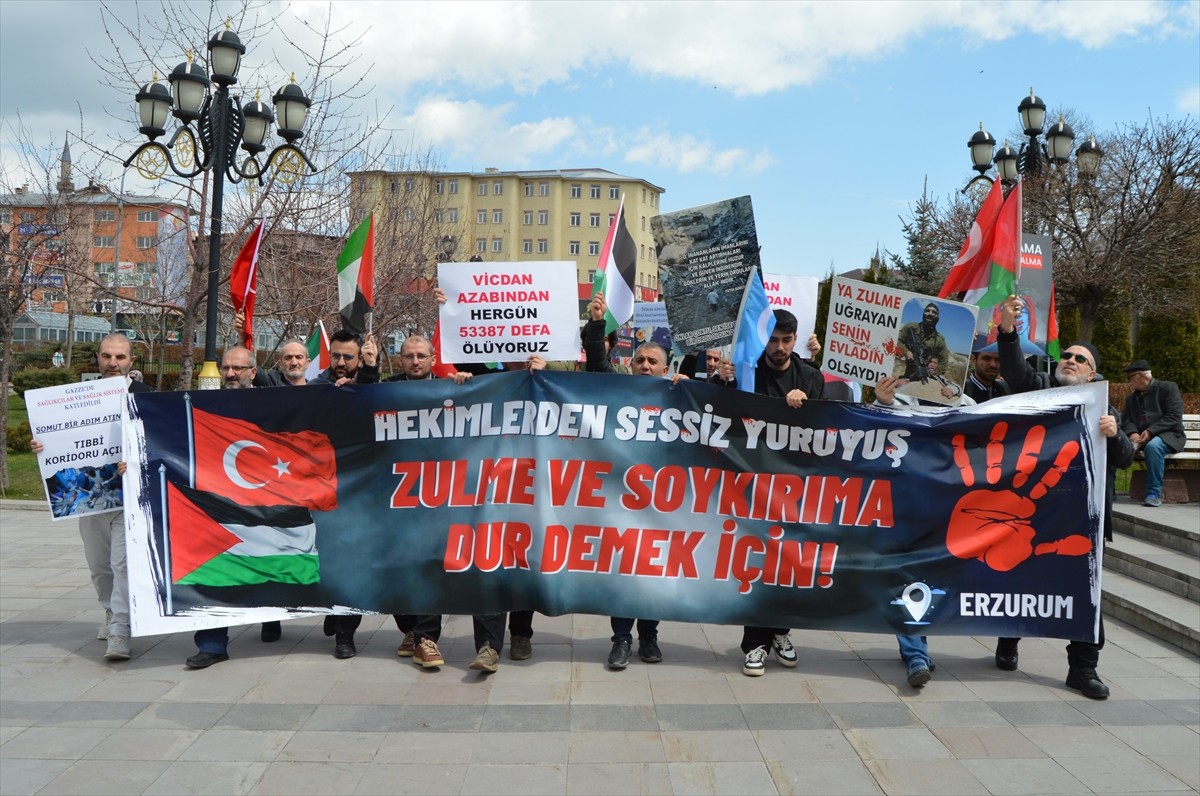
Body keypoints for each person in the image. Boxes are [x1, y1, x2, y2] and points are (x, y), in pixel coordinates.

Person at [995, 294, 1135, 699]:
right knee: (1017, 581)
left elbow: (1125, 461)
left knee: (1084, 594)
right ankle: (1008, 642)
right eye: (1067, 356)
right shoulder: (1039, 390)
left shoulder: (1108, 410)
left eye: (1080, 359)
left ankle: (1083, 668)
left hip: (1079, 522)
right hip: (1031, 513)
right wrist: (1007, 329)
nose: (1070, 360)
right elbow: (1016, 372)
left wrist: (1116, 434)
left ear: (1093, 376)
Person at [31, 334, 151, 661]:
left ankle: (121, 631)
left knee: (123, 565)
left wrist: (138, 460)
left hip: (131, 499)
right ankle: (111, 611)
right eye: (107, 356)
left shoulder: (147, 397)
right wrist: (44, 446)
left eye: (120, 357)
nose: (113, 363)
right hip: (91, 500)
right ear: (98, 358)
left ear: (131, 361)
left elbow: (160, 445)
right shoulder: (77, 399)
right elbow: (62, 440)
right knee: (100, 567)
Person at [713, 309, 821, 676]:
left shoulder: (809, 377)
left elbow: (828, 428)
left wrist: (803, 408)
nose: (778, 348)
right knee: (756, 562)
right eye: (772, 340)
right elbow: (722, 416)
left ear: (795, 339)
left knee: (788, 562)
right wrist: (722, 379)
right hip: (753, 484)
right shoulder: (746, 372)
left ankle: (780, 631)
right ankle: (755, 643)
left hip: (795, 486)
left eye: (785, 341)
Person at [585, 292, 689, 669]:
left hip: (662, 503)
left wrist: (691, 389)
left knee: (652, 573)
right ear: (630, 365)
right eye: (640, 360)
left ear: (665, 368)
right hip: (620, 502)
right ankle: (621, 640)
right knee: (622, 573)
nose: (645, 366)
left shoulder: (679, 396)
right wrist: (597, 324)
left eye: (653, 361)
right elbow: (597, 363)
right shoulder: (616, 391)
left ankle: (649, 637)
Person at [874, 374, 977, 687]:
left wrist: (956, 400)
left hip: (949, 510)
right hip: (907, 508)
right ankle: (915, 651)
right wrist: (883, 403)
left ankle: (916, 647)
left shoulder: (966, 404)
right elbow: (867, 438)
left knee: (936, 581)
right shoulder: (894, 398)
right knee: (910, 578)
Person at [186, 347, 285, 667]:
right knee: (215, 564)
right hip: (219, 501)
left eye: (238, 368)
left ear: (253, 373)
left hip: (267, 499)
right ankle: (212, 644)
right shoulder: (203, 403)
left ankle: (271, 614)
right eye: (225, 368)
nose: (230, 374)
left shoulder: (273, 403)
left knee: (268, 560)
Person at [383, 334, 475, 669]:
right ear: (400, 358)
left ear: (433, 357)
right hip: (395, 496)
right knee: (394, 567)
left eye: (422, 355)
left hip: (439, 497)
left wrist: (466, 385)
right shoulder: (385, 389)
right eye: (409, 356)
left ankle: (426, 639)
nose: (416, 361)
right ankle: (410, 629)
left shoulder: (449, 387)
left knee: (428, 565)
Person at [310, 328, 379, 658]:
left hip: (360, 492)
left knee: (349, 559)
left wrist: (364, 379)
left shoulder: (368, 385)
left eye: (347, 357)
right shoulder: (315, 389)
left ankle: (344, 633)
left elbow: (380, 401)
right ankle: (333, 608)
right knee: (327, 558)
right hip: (321, 489)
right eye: (335, 356)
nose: (340, 362)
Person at [1120, 359, 1186, 508]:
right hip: (1140, 439)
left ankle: (1153, 494)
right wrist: (1133, 433)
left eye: (1130, 377)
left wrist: (1150, 431)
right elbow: (1126, 419)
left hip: (1168, 436)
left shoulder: (1168, 388)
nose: (1128, 381)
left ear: (1142, 375)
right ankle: (1108, 492)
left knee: (1154, 446)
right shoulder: (1131, 398)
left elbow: (1174, 416)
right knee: (1112, 444)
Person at [894, 302, 950, 384]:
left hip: (926, 374)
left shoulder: (939, 340)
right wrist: (906, 352)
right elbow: (896, 340)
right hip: (909, 370)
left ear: (937, 317)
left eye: (934, 312)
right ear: (923, 313)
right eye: (927, 311)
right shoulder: (911, 327)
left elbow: (944, 361)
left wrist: (936, 372)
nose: (930, 314)